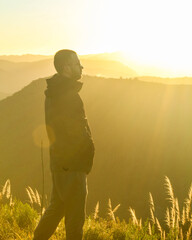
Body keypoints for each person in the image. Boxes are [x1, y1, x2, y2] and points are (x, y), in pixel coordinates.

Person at [33, 49, 95, 240]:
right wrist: (87, 154)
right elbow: (76, 132)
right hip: (73, 166)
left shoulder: (54, 92)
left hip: (59, 163)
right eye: (77, 63)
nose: (81, 66)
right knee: (75, 220)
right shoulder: (67, 95)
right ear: (67, 67)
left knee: (56, 208)